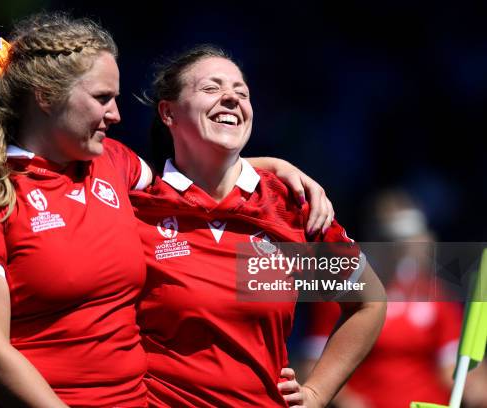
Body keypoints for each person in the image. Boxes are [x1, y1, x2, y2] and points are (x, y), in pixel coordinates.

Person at [0, 13, 336, 408]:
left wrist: (275, 169)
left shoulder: (115, 165)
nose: (116, 115)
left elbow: (370, 298)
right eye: (102, 98)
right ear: (46, 97)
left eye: (116, 99)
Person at [129, 45, 387, 407]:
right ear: (168, 113)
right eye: (211, 88)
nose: (232, 98)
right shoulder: (134, 205)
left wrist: (316, 394)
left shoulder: (291, 206)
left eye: (242, 91)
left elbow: (366, 303)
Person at [301, 190, 463, 408]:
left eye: (411, 237)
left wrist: (473, 385)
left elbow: (453, 367)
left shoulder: (437, 294)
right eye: (392, 239)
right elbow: (312, 364)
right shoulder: (342, 293)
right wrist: (347, 402)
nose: (404, 248)